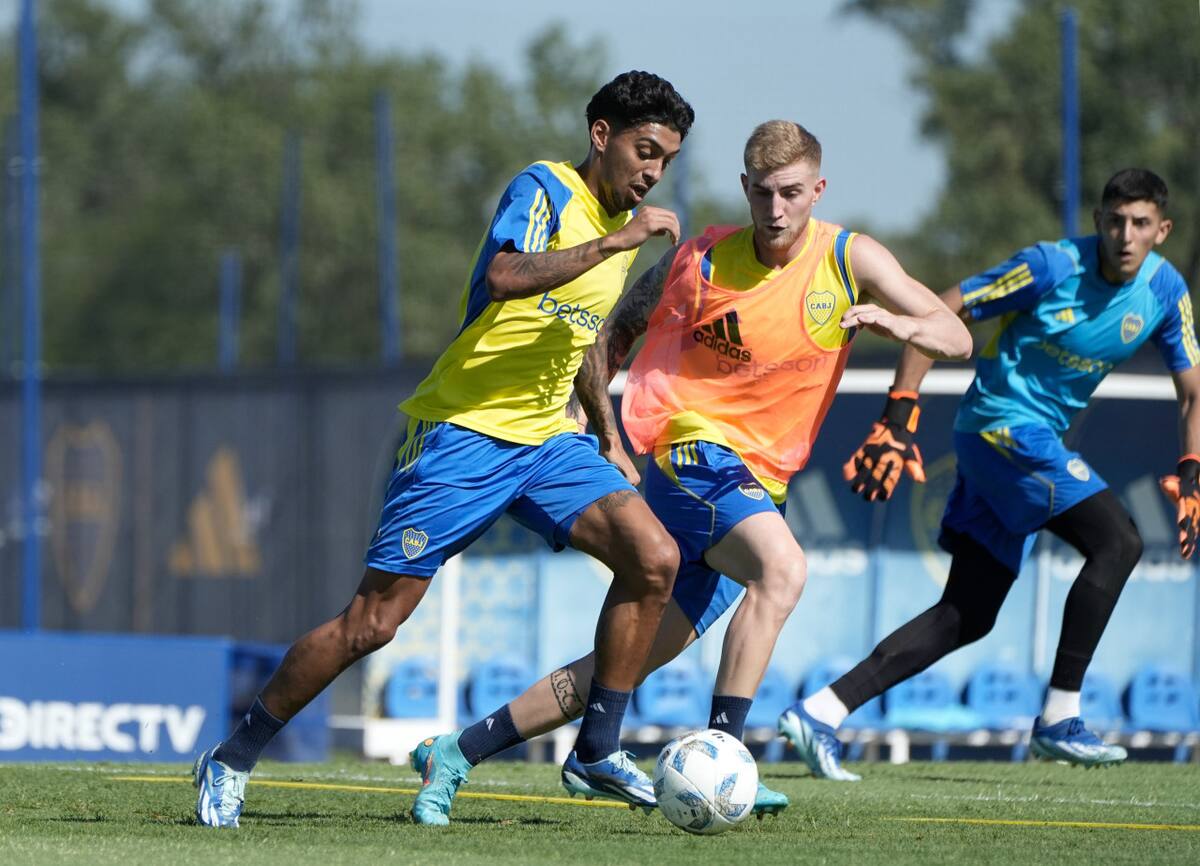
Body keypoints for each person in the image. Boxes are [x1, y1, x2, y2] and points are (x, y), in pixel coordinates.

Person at [408, 120, 971, 823]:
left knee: (621, 664)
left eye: (791, 193)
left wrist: (904, 326)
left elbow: (957, 333)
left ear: (818, 190)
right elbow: (614, 331)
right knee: (783, 570)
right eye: (762, 192)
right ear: (744, 188)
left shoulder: (851, 258)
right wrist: (594, 424)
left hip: (757, 481)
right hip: (690, 456)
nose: (775, 209)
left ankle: (458, 750)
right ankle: (726, 754)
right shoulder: (702, 257)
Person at [193, 70, 696, 828]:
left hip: (546, 439)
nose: (653, 171)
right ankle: (230, 758)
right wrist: (611, 242)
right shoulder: (546, 190)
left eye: (666, 159)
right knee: (371, 625)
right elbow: (502, 277)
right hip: (463, 431)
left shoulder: (626, 228)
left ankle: (595, 748)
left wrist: (606, 430)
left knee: (654, 558)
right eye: (644, 150)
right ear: (602, 136)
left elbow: (581, 342)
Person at [780, 167, 1200, 780]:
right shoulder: (1050, 266)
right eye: (1115, 220)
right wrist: (899, 414)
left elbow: (1192, 392)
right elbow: (941, 310)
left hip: (1019, 444)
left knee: (967, 614)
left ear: (1162, 230)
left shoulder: (1166, 293)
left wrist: (1191, 469)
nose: (1125, 235)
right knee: (1120, 541)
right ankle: (1060, 716)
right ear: (1097, 222)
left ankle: (821, 710)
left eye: (1140, 224)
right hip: (1002, 429)